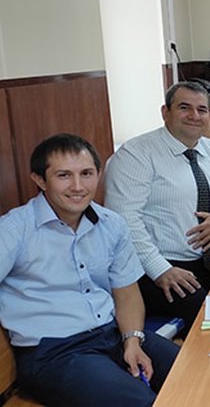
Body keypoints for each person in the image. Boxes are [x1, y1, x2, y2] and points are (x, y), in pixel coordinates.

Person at [0, 134, 179, 406]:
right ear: (39, 179)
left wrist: (133, 340)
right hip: (54, 352)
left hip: (113, 334)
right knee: (143, 402)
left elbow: (127, 294)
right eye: (63, 176)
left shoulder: (112, 224)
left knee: (195, 372)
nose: (77, 186)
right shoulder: (14, 229)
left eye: (86, 174)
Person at [104, 81, 210, 328]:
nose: (194, 116)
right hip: (158, 268)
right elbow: (123, 222)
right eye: (184, 108)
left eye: (201, 109)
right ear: (165, 112)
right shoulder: (135, 154)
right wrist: (160, 270)